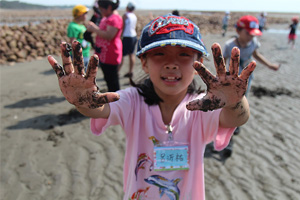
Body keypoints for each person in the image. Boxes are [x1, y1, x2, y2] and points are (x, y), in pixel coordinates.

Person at [48, 14, 256, 200]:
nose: (171, 63)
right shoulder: (132, 101)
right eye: (160, 54)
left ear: (198, 63)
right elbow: (98, 109)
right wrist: (82, 100)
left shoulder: (203, 107)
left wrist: (235, 101)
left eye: (184, 54)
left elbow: (236, 118)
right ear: (144, 63)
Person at [223, 15, 280, 136]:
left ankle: (237, 124)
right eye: (248, 33)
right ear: (238, 31)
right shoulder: (229, 45)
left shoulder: (253, 43)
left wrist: (270, 65)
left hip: (247, 79)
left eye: (253, 34)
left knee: (243, 100)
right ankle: (227, 122)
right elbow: (222, 61)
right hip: (232, 80)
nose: (251, 37)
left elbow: (256, 55)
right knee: (230, 101)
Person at [86, 0, 123, 92]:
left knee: (112, 80)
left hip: (111, 54)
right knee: (108, 78)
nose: (100, 12)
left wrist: (94, 29)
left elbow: (109, 36)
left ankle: (116, 101)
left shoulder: (115, 19)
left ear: (109, 7)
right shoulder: (107, 17)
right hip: (103, 54)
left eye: (101, 9)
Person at [67, 5, 91, 69]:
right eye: (85, 13)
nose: (86, 15)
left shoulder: (81, 25)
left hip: (86, 53)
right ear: (80, 14)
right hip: (79, 55)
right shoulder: (72, 26)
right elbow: (73, 42)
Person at [118, 2, 137, 78]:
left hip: (127, 36)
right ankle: (131, 71)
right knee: (131, 54)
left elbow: (123, 26)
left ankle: (117, 71)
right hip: (133, 35)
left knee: (121, 55)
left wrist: (120, 36)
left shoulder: (125, 15)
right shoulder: (134, 16)